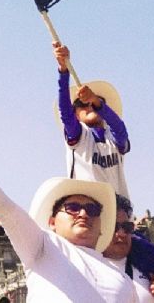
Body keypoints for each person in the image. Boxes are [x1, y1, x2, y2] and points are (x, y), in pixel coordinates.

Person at [0, 146, 135, 302]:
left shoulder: (124, 281)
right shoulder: (42, 246)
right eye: (73, 207)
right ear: (52, 222)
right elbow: (4, 207)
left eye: (92, 210)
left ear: (102, 227)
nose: (83, 213)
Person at [54, 42, 131, 198]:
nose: (89, 105)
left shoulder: (114, 138)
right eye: (82, 104)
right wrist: (63, 71)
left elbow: (119, 128)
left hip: (117, 212)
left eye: (95, 102)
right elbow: (65, 113)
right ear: (75, 114)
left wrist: (97, 103)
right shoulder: (79, 136)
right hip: (87, 209)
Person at [102, 195, 154, 302]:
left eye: (127, 227)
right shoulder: (88, 267)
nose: (122, 233)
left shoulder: (153, 267)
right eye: (114, 227)